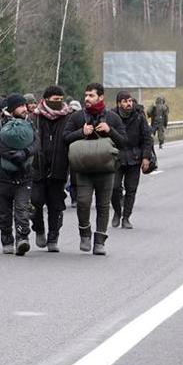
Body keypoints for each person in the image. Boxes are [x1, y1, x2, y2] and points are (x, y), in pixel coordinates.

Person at [64, 82, 123, 256]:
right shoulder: (76, 117)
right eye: (86, 95)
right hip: (83, 169)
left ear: (101, 97)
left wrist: (110, 131)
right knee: (83, 202)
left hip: (106, 169)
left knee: (103, 205)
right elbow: (65, 138)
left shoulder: (113, 118)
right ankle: (85, 233)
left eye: (91, 95)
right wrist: (81, 132)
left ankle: (100, 241)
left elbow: (124, 142)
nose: (87, 99)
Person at [29, 86, 72, 253]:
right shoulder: (34, 118)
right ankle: (39, 229)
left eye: (61, 99)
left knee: (56, 204)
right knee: (36, 201)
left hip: (59, 167)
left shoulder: (68, 118)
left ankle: (53, 236)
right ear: (46, 99)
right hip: (37, 167)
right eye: (55, 99)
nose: (58, 103)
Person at [0, 93, 34, 255]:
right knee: (5, 211)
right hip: (3, 175)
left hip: (24, 175)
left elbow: (36, 142)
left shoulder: (29, 123)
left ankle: (23, 238)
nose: (25, 109)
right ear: (11, 108)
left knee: (22, 208)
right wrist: (11, 155)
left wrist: (25, 152)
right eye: (20, 106)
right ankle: (7, 239)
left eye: (25, 105)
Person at [110, 90, 154, 230]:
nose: (129, 104)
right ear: (119, 103)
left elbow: (147, 138)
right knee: (114, 188)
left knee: (131, 190)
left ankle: (126, 217)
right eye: (125, 101)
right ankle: (117, 211)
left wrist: (146, 157)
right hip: (116, 157)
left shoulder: (139, 116)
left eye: (130, 101)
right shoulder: (111, 116)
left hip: (135, 158)